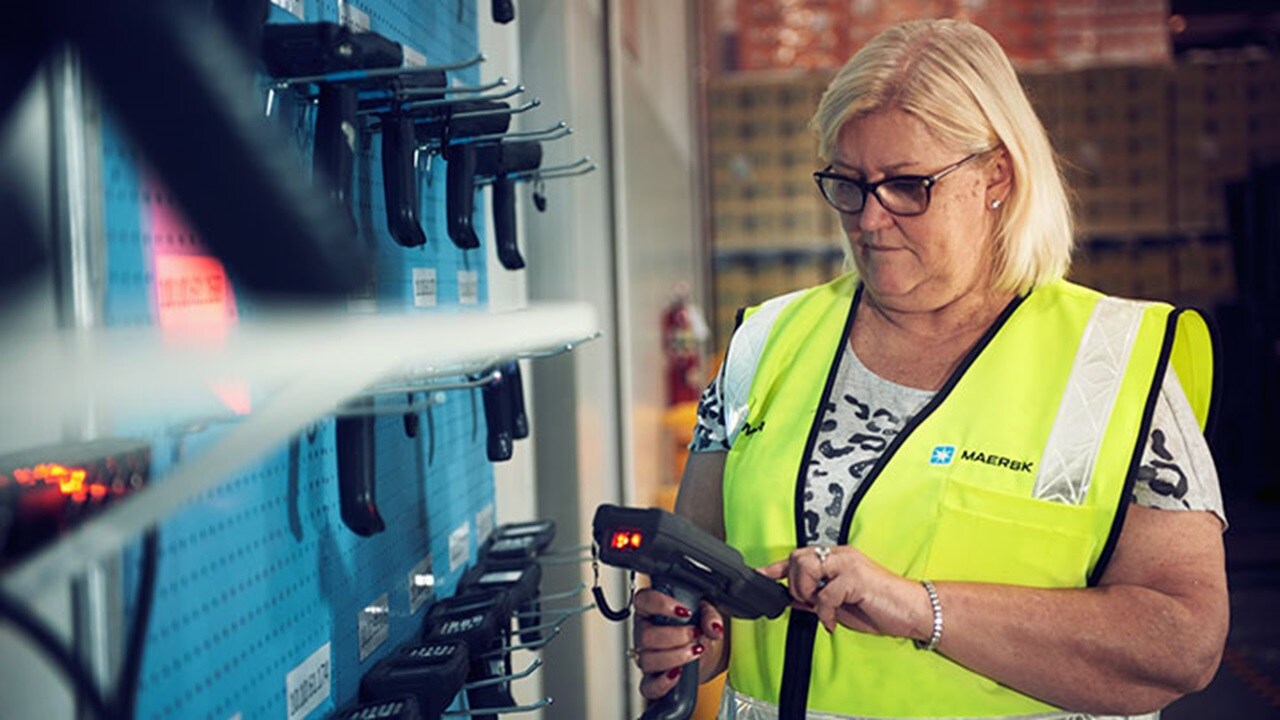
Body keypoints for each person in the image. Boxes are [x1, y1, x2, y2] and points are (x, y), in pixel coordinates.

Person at [632, 18, 1228, 720]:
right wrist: (685, 633)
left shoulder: (1114, 362)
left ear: (996, 175)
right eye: (849, 184)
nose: (870, 220)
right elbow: (704, 590)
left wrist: (922, 609)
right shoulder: (764, 347)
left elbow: (1182, 644)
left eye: (908, 186)